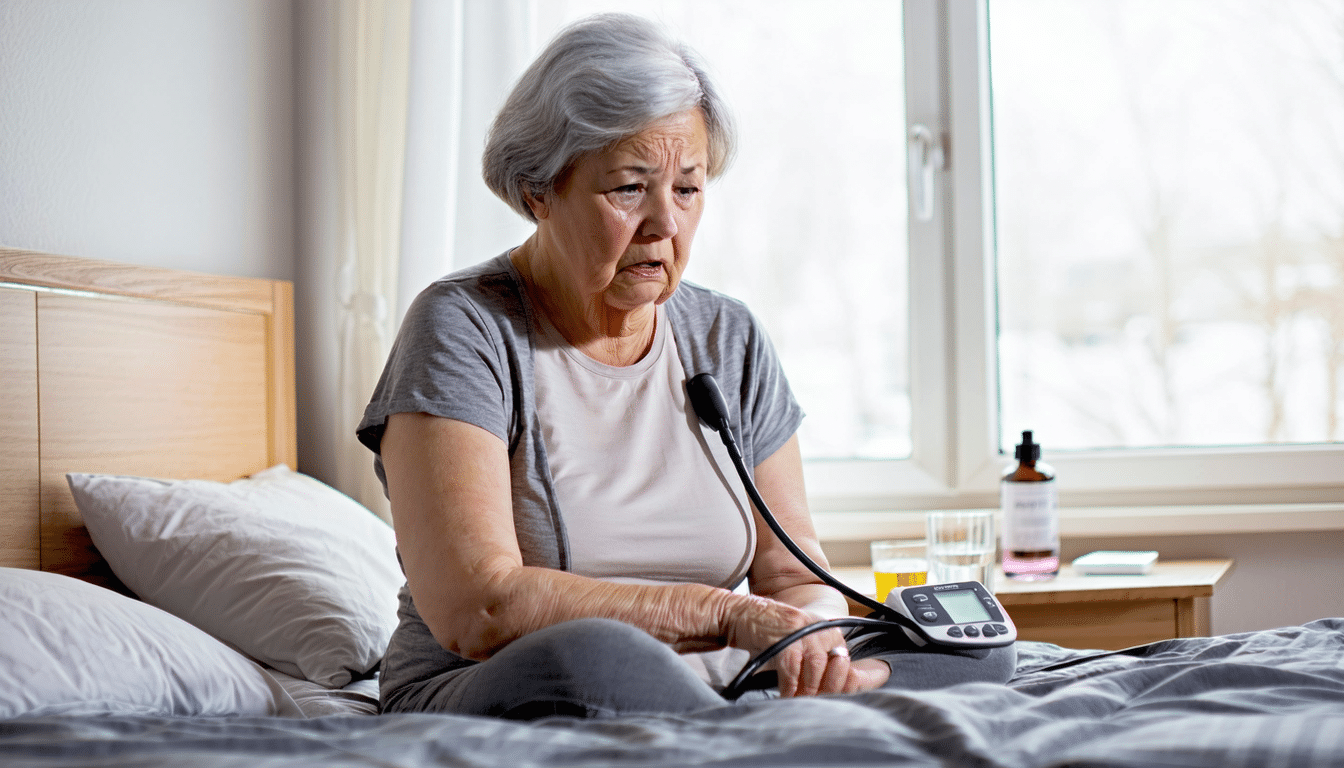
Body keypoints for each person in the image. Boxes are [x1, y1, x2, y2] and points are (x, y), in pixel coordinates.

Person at [357, 12, 1012, 720]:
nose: (665, 224)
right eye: (629, 188)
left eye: (688, 189)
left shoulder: (728, 337)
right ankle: (770, 728)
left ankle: (798, 713)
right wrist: (727, 615)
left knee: (974, 641)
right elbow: (480, 606)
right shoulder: (463, 327)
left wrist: (815, 643)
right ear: (538, 190)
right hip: (495, 680)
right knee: (596, 656)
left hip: (718, 681)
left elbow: (793, 576)